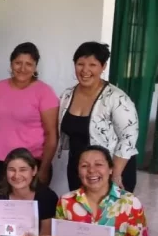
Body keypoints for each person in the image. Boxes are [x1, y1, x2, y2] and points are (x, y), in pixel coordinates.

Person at [58, 42, 139, 192]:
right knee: (80, 212)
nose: (85, 70)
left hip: (111, 171)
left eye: (92, 65)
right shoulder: (67, 96)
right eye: (80, 64)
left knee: (108, 214)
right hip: (79, 169)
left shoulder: (117, 98)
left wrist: (115, 174)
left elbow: (128, 139)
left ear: (103, 67)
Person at [0, 43, 59, 186]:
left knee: (27, 207)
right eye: (18, 63)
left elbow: (51, 135)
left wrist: (44, 168)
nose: (22, 68)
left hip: (29, 164)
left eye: (28, 64)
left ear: (35, 67)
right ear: (11, 64)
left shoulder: (44, 92)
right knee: (1, 205)